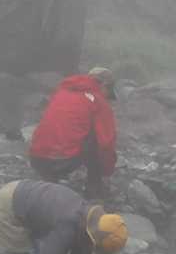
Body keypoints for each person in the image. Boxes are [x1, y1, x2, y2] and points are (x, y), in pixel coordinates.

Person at [29, 67, 119, 198]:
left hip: (36, 158)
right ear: (104, 86)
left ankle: (50, 180)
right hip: (63, 162)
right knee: (98, 138)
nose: (107, 98)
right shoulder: (99, 102)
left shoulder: (61, 92)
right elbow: (106, 144)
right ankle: (93, 189)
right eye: (108, 92)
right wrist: (106, 170)